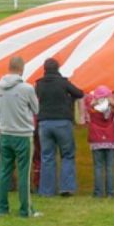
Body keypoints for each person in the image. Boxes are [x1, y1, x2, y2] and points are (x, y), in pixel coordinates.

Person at [0, 57, 41, 217]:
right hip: (22, 134)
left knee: (4, 171)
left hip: (6, 132)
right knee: (24, 172)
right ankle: (25, 209)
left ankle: (2, 207)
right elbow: (36, 109)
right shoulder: (26, 88)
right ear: (22, 69)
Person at [35, 58, 84, 197]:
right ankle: (66, 187)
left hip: (44, 123)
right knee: (67, 154)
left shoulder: (39, 84)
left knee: (47, 157)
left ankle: (46, 190)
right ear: (58, 68)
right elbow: (79, 93)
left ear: (44, 69)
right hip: (62, 121)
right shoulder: (63, 82)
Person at [84, 86, 114, 198]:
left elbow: (87, 104)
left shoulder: (92, 110)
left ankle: (98, 193)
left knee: (98, 167)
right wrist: (111, 99)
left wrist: (94, 100)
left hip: (96, 139)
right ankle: (110, 193)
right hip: (110, 139)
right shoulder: (112, 110)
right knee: (110, 167)